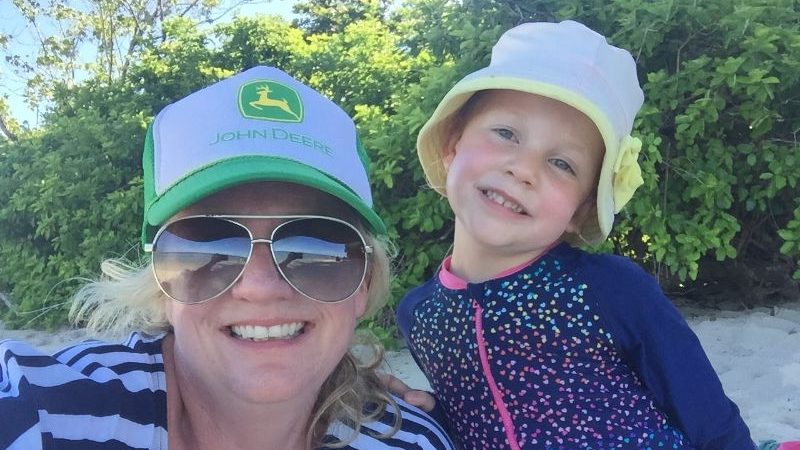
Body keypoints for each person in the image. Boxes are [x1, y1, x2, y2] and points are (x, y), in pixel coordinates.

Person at [0, 66, 455, 450]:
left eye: (314, 247)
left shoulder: (409, 443)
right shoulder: (46, 413)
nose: (259, 287)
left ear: (364, 283)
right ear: (161, 285)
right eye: (210, 245)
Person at [394, 20, 764, 449]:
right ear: (452, 145)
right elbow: (481, 418)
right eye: (506, 134)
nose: (524, 169)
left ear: (582, 209)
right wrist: (435, 413)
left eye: (562, 164)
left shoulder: (610, 289)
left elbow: (711, 421)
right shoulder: (419, 315)